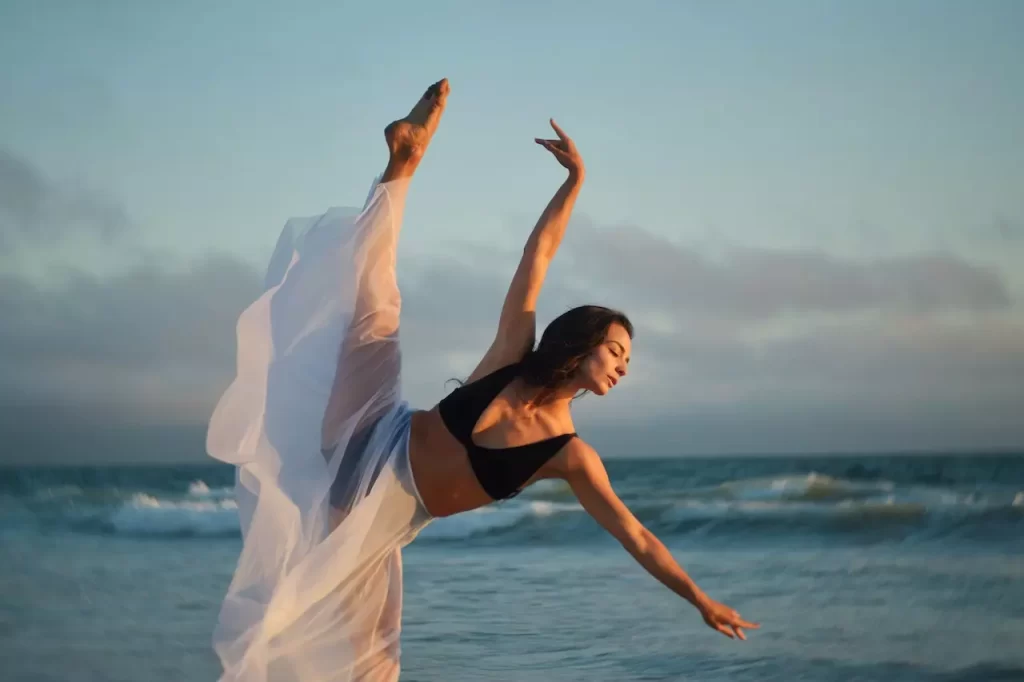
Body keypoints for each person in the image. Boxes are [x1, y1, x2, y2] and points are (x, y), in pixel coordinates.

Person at [207, 78, 758, 682]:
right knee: (375, 309)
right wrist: (575, 184)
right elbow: (536, 257)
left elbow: (637, 536)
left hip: (372, 517)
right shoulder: (513, 357)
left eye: (628, 361)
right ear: (580, 346)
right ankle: (406, 159)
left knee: (371, 669)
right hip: (372, 430)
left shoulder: (571, 454)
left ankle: (404, 163)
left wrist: (699, 599)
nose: (625, 366)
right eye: (617, 350)